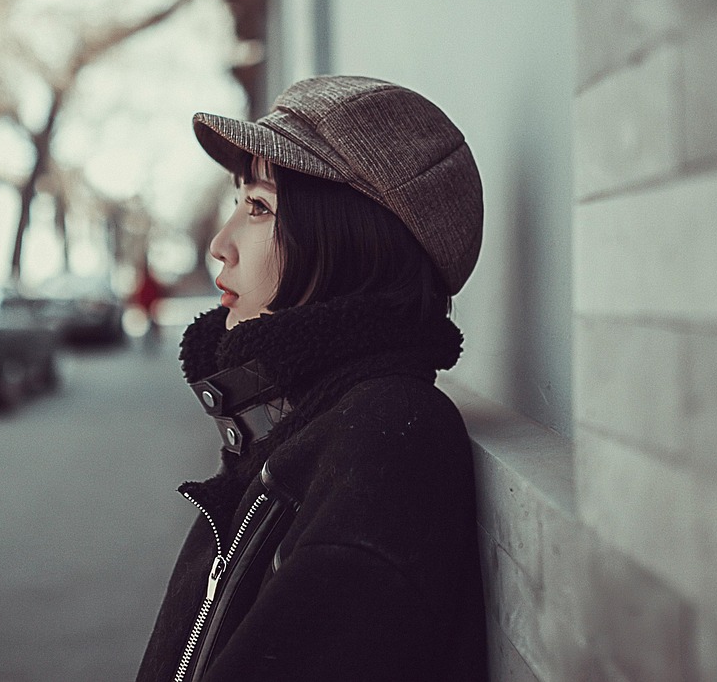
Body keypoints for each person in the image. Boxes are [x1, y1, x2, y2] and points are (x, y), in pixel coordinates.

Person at [135, 76, 488, 682]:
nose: (221, 244)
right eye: (238, 202)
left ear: (353, 243)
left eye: (260, 207)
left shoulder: (386, 443)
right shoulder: (295, 418)